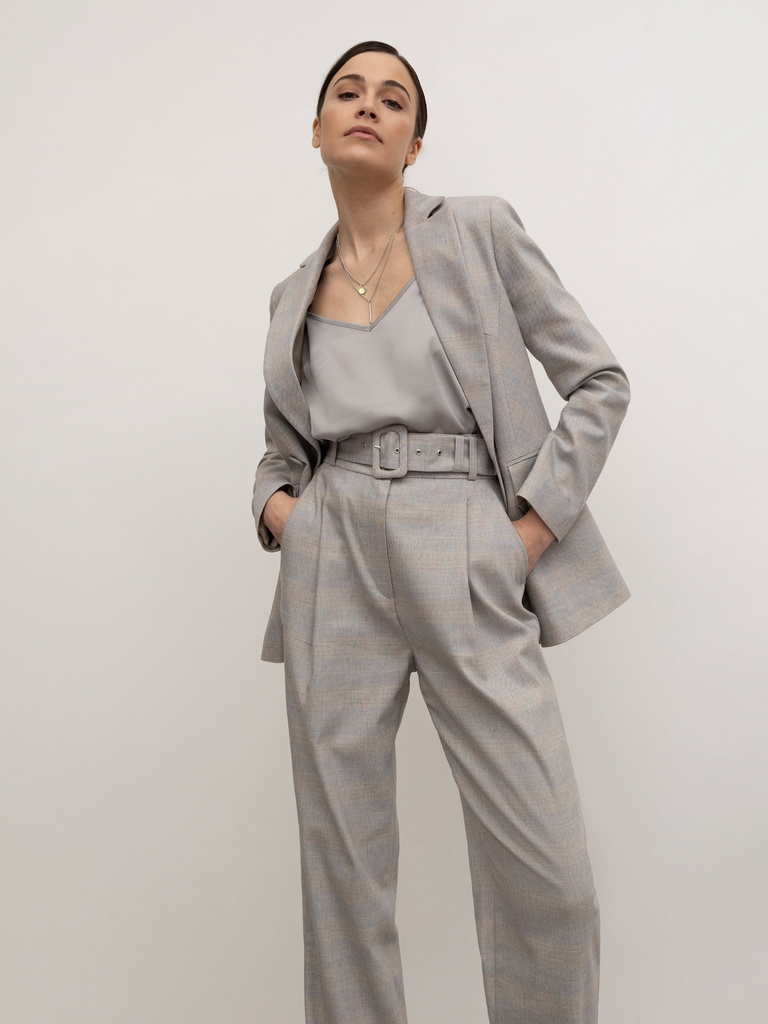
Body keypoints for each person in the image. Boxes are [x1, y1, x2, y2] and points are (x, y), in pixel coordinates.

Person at [252, 39, 630, 1024]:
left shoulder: (477, 232)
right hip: (334, 552)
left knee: (552, 876)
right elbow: (281, 454)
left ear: (415, 143)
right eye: (348, 92)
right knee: (341, 870)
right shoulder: (290, 296)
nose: (368, 106)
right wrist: (285, 514)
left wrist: (527, 533)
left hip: (465, 527)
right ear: (317, 128)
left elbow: (599, 382)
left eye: (393, 99)